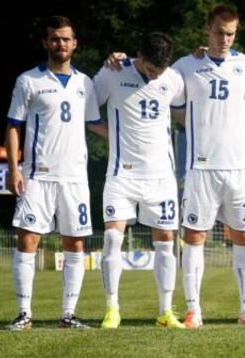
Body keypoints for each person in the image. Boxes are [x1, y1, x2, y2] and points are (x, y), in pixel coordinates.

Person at [5, 15, 105, 331]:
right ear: (46, 42)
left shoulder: (84, 83)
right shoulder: (28, 80)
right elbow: (13, 127)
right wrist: (14, 169)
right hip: (37, 175)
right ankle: (24, 313)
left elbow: (94, 125)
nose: (60, 44)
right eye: (55, 39)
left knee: (75, 244)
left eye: (66, 39)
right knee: (28, 240)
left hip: (75, 177)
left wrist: (133, 136)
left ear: (75, 43)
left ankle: (68, 315)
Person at [173, 5, 245, 328]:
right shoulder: (187, 64)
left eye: (230, 34)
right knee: (194, 236)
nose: (224, 39)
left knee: (244, 238)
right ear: (207, 30)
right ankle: (193, 310)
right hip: (201, 169)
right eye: (219, 32)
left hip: (239, 170)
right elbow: (158, 86)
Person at [93, 32, 186, 329]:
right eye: (149, 69)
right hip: (122, 173)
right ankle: (112, 308)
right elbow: (88, 113)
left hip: (161, 176)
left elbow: (184, 111)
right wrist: (115, 138)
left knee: (166, 244)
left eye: (158, 71)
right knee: (111, 239)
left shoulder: (173, 80)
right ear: (139, 55)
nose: (153, 75)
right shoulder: (113, 72)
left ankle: (165, 311)